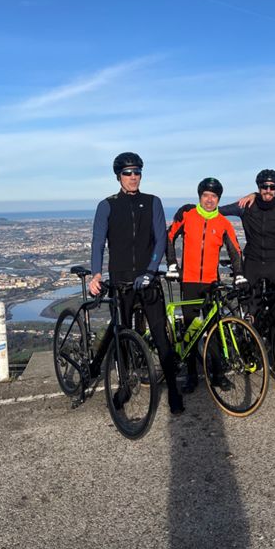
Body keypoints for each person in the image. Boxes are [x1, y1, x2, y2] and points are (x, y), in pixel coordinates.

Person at [89, 152, 184, 415]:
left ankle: (173, 391)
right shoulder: (106, 205)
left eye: (137, 172)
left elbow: (160, 240)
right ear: (119, 176)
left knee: (160, 337)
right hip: (120, 281)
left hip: (147, 280)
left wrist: (151, 270)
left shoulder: (153, 202)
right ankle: (123, 387)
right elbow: (98, 242)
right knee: (121, 336)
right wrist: (96, 274)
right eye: (128, 173)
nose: (133, 177)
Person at [167, 177, 246, 393]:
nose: (209, 200)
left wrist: (239, 274)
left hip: (211, 284)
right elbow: (169, 236)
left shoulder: (223, 223)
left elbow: (235, 250)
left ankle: (218, 374)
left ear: (218, 199)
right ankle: (192, 376)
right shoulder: (187, 215)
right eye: (205, 195)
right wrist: (172, 264)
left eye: (214, 196)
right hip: (189, 282)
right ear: (199, 196)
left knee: (214, 331)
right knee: (191, 331)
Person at [220, 169, 275, 290]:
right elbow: (218, 211)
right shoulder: (246, 205)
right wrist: (192, 209)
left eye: (272, 187)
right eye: (264, 186)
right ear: (259, 187)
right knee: (250, 306)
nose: (268, 190)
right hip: (252, 264)